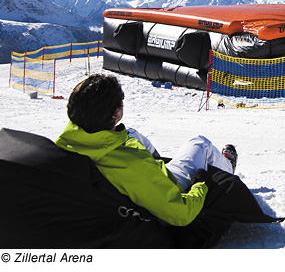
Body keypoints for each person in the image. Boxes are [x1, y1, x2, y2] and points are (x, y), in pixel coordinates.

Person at [55, 74, 238, 228]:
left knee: (131, 134)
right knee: (200, 144)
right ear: (115, 114)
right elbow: (180, 213)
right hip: (165, 184)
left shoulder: (62, 146)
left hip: (119, 171)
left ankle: (156, 159)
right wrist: (201, 185)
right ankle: (227, 166)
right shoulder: (130, 164)